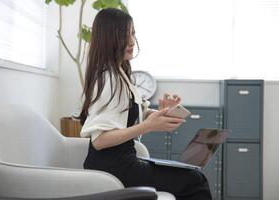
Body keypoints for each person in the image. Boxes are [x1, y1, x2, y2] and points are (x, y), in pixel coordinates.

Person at [79, 8, 212, 200]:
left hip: (123, 162)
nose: (132, 41)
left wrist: (163, 111)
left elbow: (132, 113)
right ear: (109, 39)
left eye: (132, 33)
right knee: (195, 181)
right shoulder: (109, 79)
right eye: (124, 36)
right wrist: (147, 126)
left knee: (193, 175)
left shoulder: (120, 72)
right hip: (113, 168)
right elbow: (100, 140)